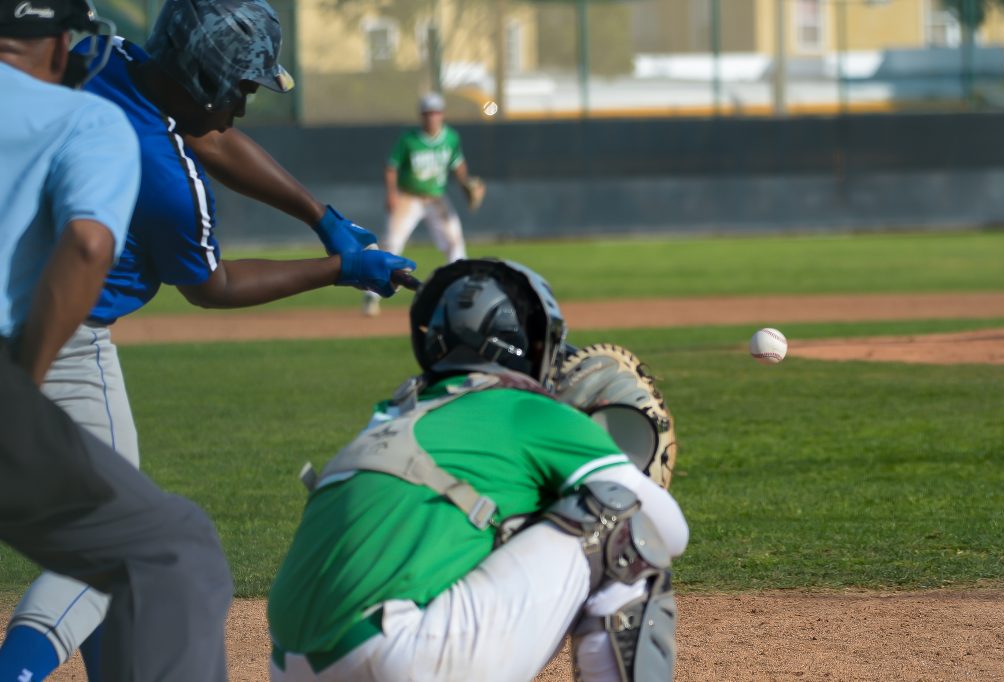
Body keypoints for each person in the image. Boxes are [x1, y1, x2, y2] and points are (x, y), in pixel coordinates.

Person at [0, 0, 415, 679]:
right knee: (120, 544)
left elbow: (211, 136)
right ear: (204, 81)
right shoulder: (168, 181)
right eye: (240, 87)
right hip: (63, 337)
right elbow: (212, 286)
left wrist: (322, 217)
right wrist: (339, 269)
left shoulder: (100, 61)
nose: (243, 105)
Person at [268, 258, 688, 681]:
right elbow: (668, 529)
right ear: (535, 344)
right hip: (400, 658)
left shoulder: (388, 416)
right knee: (619, 527)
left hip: (290, 666)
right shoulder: (531, 411)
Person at [0, 1, 233, 681]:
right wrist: (22, 384)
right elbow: (87, 244)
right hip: (41, 347)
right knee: (150, 549)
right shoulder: (88, 118)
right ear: (60, 43)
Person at [362, 92, 480, 317]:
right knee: (392, 243)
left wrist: (466, 182)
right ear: (421, 116)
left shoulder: (451, 138)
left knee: (454, 241)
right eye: (427, 113)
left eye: (435, 113)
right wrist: (391, 194)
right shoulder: (409, 139)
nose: (431, 117)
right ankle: (371, 295)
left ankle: (463, 290)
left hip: (436, 198)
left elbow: (458, 163)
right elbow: (391, 166)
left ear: (442, 114)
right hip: (409, 196)